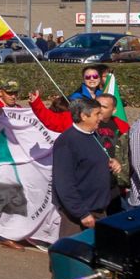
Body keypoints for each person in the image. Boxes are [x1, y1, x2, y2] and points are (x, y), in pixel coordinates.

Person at [52, 98, 116, 238]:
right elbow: (64, 183)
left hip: (98, 209)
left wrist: (111, 162)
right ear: (83, 116)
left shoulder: (95, 135)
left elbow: (93, 160)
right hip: (79, 215)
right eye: (97, 114)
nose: (101, 117)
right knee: (72, 255)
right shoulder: (67, 142)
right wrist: (82, 213)